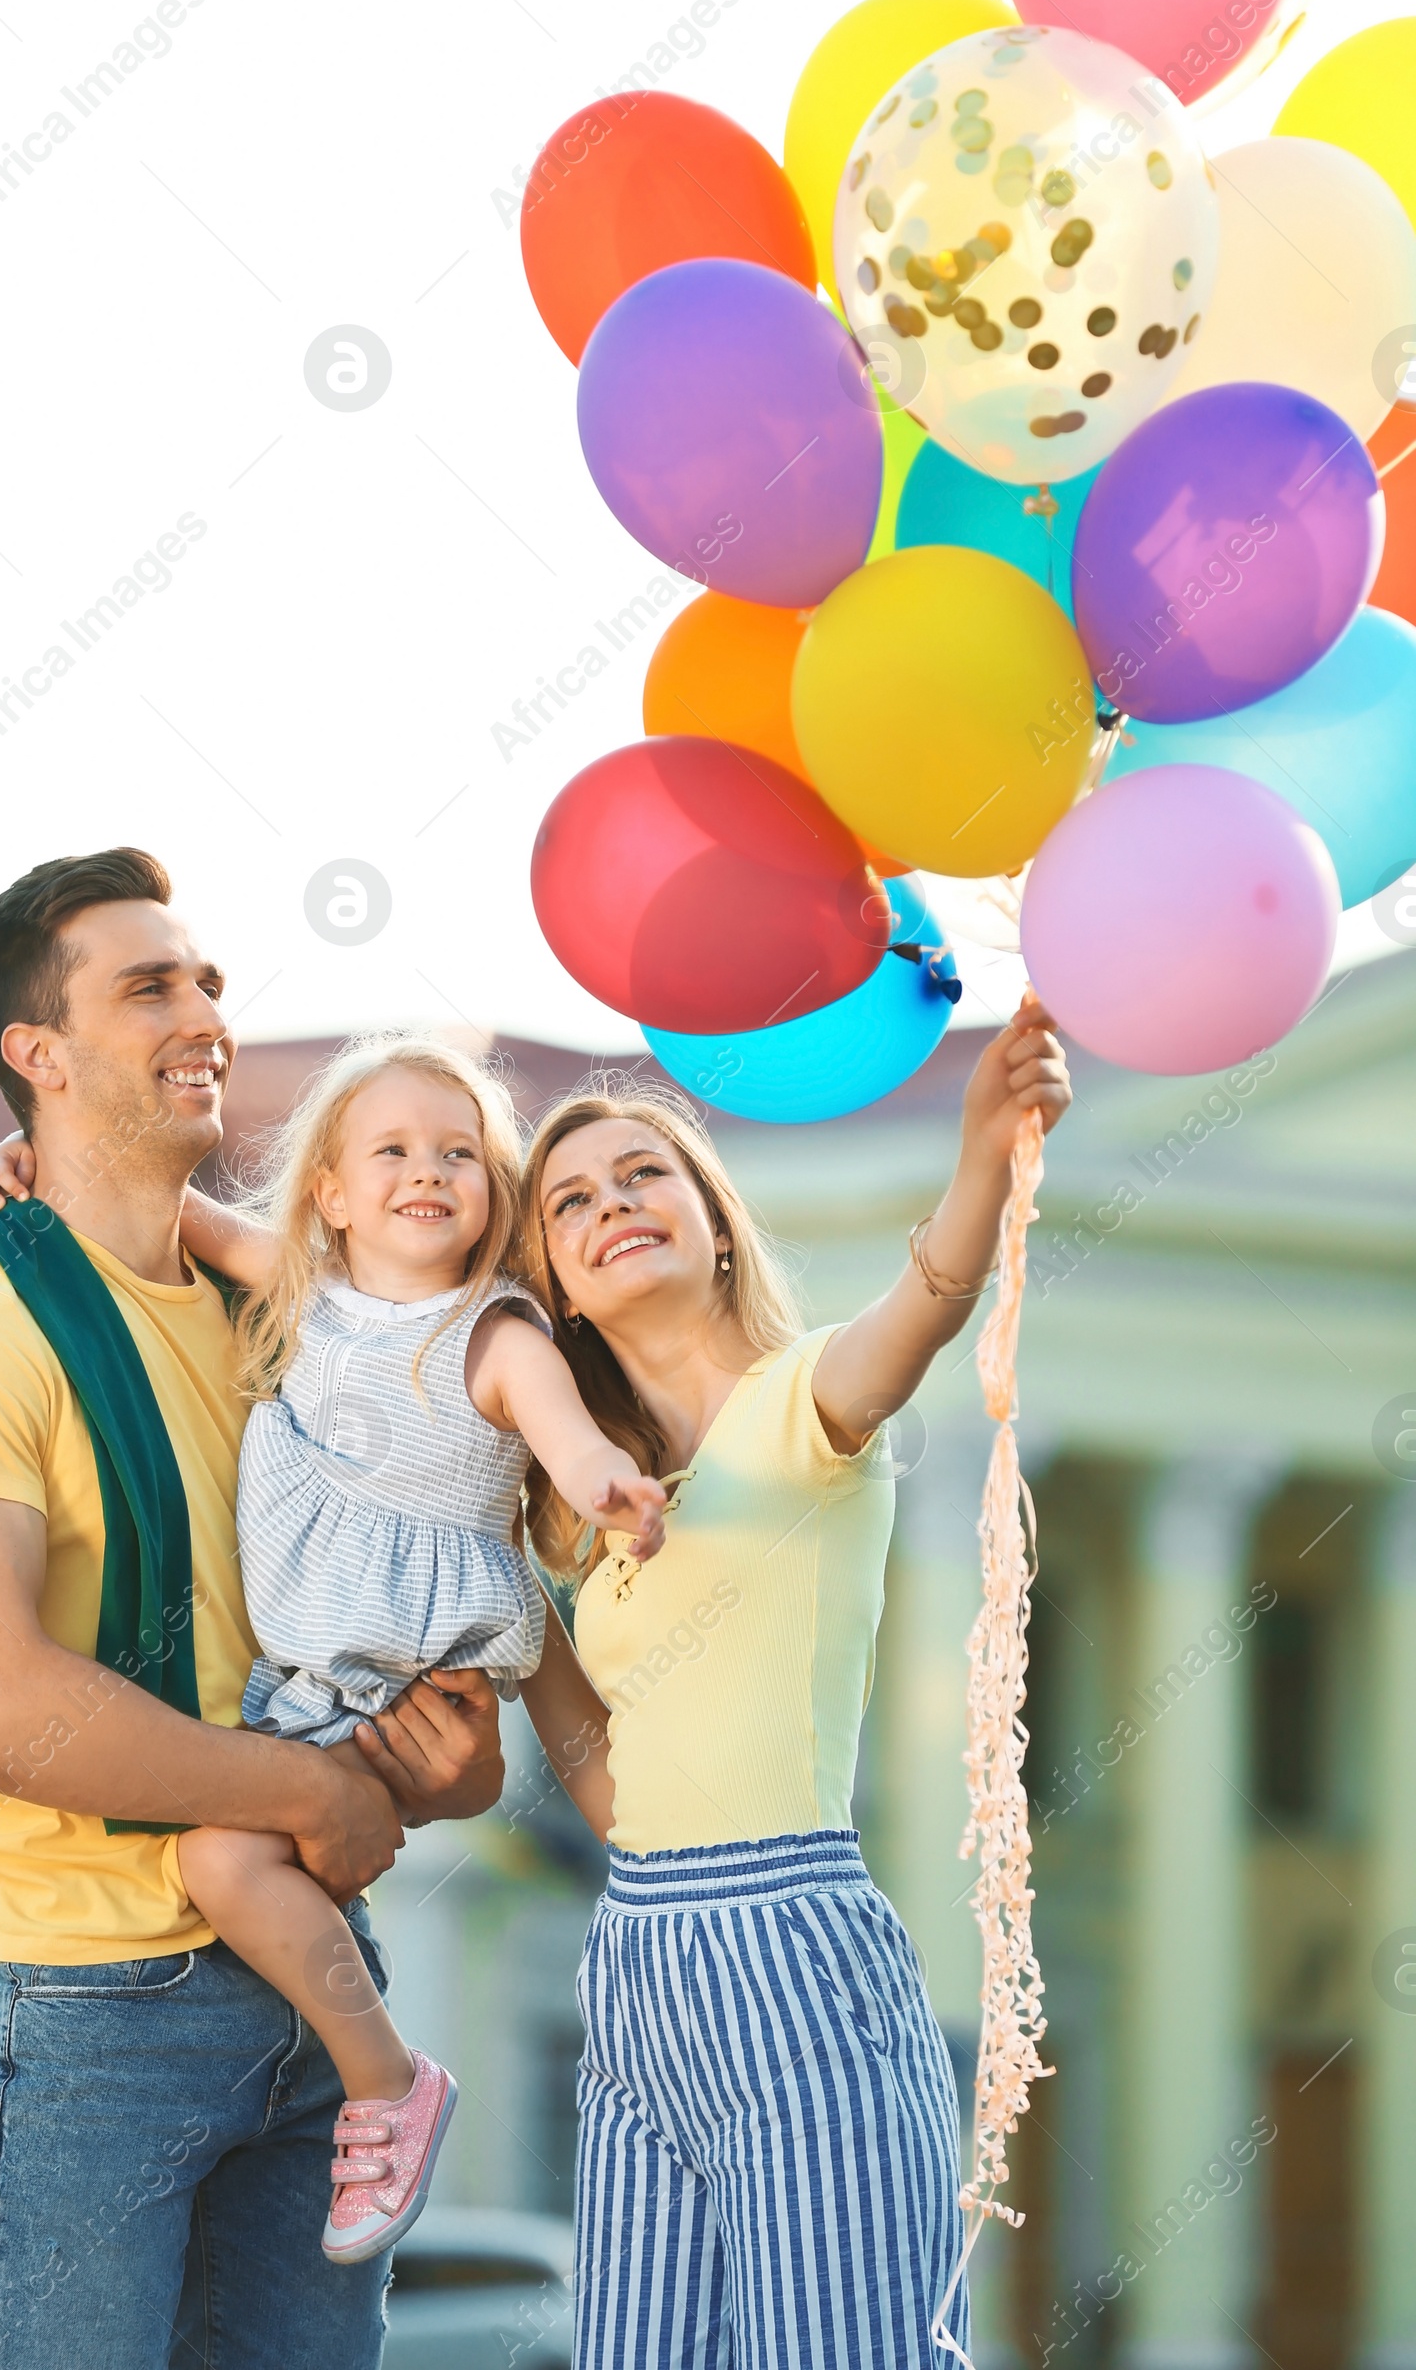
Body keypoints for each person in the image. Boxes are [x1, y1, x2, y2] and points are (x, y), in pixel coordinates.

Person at [0, 851, 503, 2370]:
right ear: (36, 1055)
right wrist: (317, 1790)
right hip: (89, 2020)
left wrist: (439, 1766)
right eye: (148, 986)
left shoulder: (300, 1346)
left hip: (314, 1988)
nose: (202, 1012)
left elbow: (379, 1675)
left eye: (205, 980)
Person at [0, 1035, 670, 2264]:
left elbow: (563, 1434)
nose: (427, 1170)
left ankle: (386, 2081)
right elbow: (169, 1208)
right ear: (332, 1194)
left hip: (400, 1677)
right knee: (242, 1863)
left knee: (222, 1864)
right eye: (390, 1150)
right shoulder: (299, 1288)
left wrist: (608, 1480)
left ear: (492, 1197)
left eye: (460, 1154)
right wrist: (35, 1162)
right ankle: (351, 2063)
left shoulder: (491, 1336)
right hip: (298, 1683)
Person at [512, 1004, 1071, 2369]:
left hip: (795, 1954)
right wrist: (520, 1629)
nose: (610, 1202)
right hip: (638, 1967)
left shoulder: (807, 1403)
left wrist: (985, 1152)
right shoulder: (592, 1516)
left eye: (645, 1172)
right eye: (571, 1201)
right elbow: (611, 1791)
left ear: (714, 1221)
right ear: (559, 1291)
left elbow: (929, 1298)